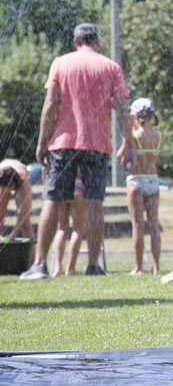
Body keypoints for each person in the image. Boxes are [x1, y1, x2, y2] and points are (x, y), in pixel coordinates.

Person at [21, 23, 134, 280]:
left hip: (64, 142)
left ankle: (40, 265)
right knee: (94, 202)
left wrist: (42, 142)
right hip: (97, 143)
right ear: (98, 42)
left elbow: (50, 105)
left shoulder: (61, 63)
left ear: (75, 42)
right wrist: (128, 142)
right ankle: (93, 266)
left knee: (53, 199)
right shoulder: (111, 67)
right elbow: (122, 108)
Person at [117, 98, 162, 275]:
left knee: (138, 225)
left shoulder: (133, 136)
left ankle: (138, 268)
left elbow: (119, 156)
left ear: (136, 115)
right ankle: (156, 267)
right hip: (153, 180)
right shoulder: (158, 136)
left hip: (136, 180)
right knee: (154, 225)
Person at [50, 173, 86, 277]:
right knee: (78, 227)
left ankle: (57, 268)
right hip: (77, 184)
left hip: (61, 185)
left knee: (61, 228)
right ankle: (70, 269)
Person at [0, 158, 34, 239]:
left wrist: (13, 234)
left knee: (25, 223)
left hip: (19, 175)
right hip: (4, 170)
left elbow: (24, 211)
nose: (10, 192)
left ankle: (30, 246)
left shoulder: (23, 180)